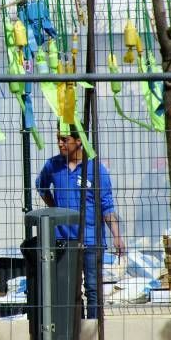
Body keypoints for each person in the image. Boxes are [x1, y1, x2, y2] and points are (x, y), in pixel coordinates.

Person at [35, 128, 125, 319]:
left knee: (93, 290)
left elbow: (106, 205)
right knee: (70, 291)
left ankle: (92, 332)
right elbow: (41, 186)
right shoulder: (53, 165)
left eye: (64, 139)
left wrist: (117, 236)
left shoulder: (96, 170)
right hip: (64, 240)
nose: (60, 143)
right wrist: (55, 209)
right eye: (58, 139)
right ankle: (74, 334)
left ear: (78, 141)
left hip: (92, 241)